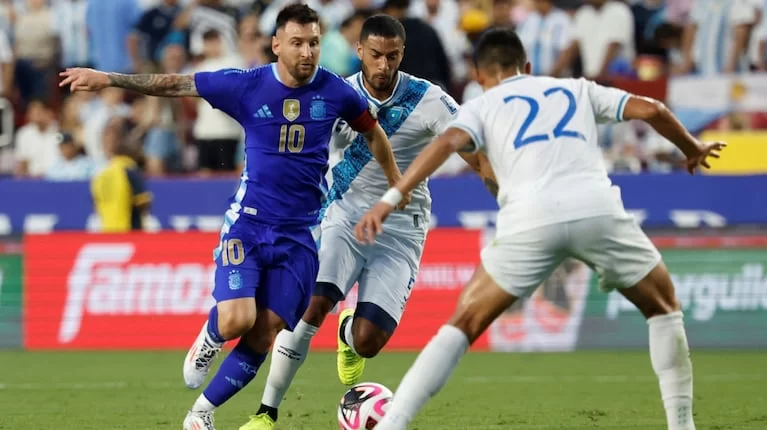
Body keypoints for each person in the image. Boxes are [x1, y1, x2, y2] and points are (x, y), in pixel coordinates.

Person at [356, 29, 726, 430]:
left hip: (529, 218)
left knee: (463, 324)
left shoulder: (482, 105)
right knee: (663, 308)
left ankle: (392, 424)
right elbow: (652, 110)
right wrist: (692, 148)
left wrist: (390, 198)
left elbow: (447, 144)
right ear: (528, 67)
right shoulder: (576, 89)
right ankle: (682, 425)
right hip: (595, 210)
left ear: (478, 74)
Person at [60, 5, 406, 430]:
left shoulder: (337, 92)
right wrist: (110, 79)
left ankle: (200, 413)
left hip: (300, 235)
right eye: (297, 43)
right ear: (276, 45)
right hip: (250, 224)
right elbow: (175, 84)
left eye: (314, 43)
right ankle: (210, 337)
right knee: (237, 320)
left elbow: (373, 133)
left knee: (267, 330)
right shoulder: (246, 85)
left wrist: (396, 184)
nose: (307, 52)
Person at [242, 14, 493, 430]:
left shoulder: (429, 99)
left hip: (402, 226)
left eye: (392, 56)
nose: (383, 65)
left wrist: (502, 189)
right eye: (375, 55)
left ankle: (348, 336)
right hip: (343, 216)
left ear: (402, 55)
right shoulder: (335, 94)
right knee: (309, 308)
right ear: (359, 51)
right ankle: (266, 413)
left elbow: (473, 152)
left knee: (368, 342)